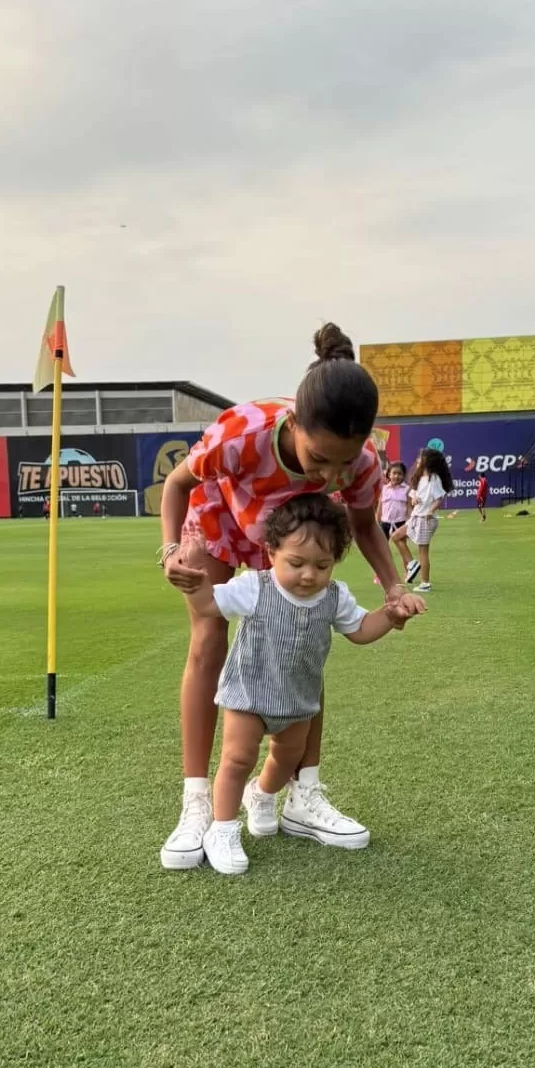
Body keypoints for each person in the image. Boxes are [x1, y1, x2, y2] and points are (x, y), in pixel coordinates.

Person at [156, 323, 426, 869]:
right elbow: (177, 485)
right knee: (209, 637)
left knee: (304, 638)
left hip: (288, 539)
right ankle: (196, 804)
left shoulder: (362, 462)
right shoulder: (242, 433)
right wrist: (170, 553)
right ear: (295, 424)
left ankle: (303, 794)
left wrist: (395, 587)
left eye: (342, 464)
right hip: (220, 519)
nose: (328, 476)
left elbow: (366, 524)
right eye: (318, 459)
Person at [181, 495, 420, 874]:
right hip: (250, 694)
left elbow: (359, 630)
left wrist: (390, 615)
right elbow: (211, 605)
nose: (309, 575)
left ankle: (261, 795)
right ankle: (222, 829)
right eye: (296, 563)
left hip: (298, 701)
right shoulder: (254, 587)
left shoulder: (334, 596)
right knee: (237, 759)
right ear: (271, 551)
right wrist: (193, 585)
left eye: (322, 565)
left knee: (286, 758)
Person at [404, 447, 453, 592]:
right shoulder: (419, 477)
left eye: (421, 458)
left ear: (428, 462)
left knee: (423, 551)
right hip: (416, 516)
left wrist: (430, 511)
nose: (418, 460)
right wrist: (414, 500)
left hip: (425, 519)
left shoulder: (434, 479)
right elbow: (413, 495)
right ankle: (412, 563)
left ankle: (425, 583)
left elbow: (439, 498)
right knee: (396, 537)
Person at [377, 462, 411, 584]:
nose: (397, 476)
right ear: (389, 474)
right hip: (385, 523)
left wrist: (408, 521)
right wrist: (377, 520)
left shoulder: (406, 489)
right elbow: (380, 505)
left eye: (400, 474)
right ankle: (380, 574)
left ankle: (408, 572)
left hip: (400, 522)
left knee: (402, 548)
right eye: (394, 473)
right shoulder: (384, 489)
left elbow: (408, 506)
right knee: (381, 550)